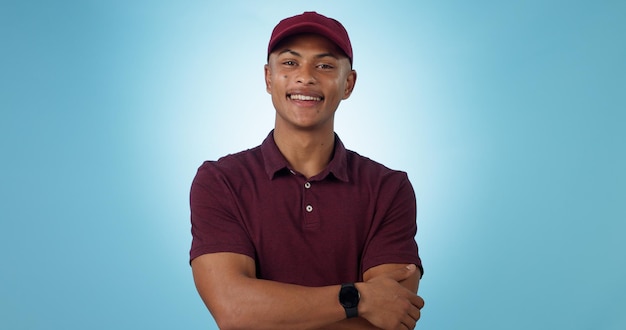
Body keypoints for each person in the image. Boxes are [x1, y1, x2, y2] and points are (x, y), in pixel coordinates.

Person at [190, 11, 424, 330]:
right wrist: (359, 300)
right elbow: (234, 310)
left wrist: (270, 313)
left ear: (349, 84)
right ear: (268, 78)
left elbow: (391, 317)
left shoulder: (389, 188)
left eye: (325, 65)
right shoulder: (221, 181)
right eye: (289, 63)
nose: (306, 76)